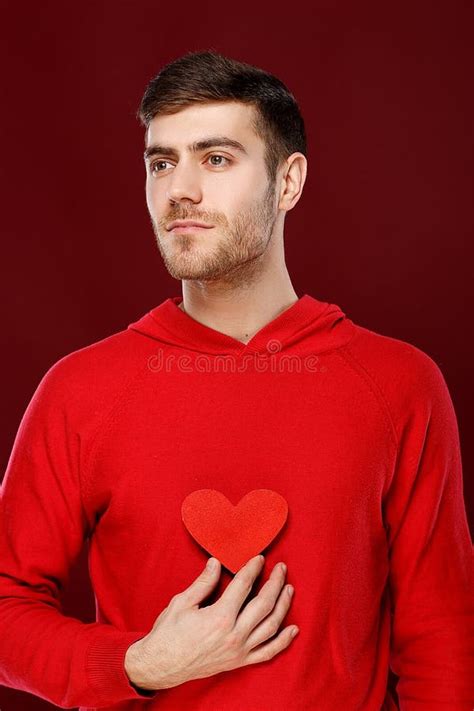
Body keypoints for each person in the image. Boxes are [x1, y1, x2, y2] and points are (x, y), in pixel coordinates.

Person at [0, 49, 472, 711]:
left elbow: (442, 639)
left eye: (216, 158)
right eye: (161, 162)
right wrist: (137, 662)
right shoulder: (78, 391)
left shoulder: (399, 386)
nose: (179, 190)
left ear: (288, 182)